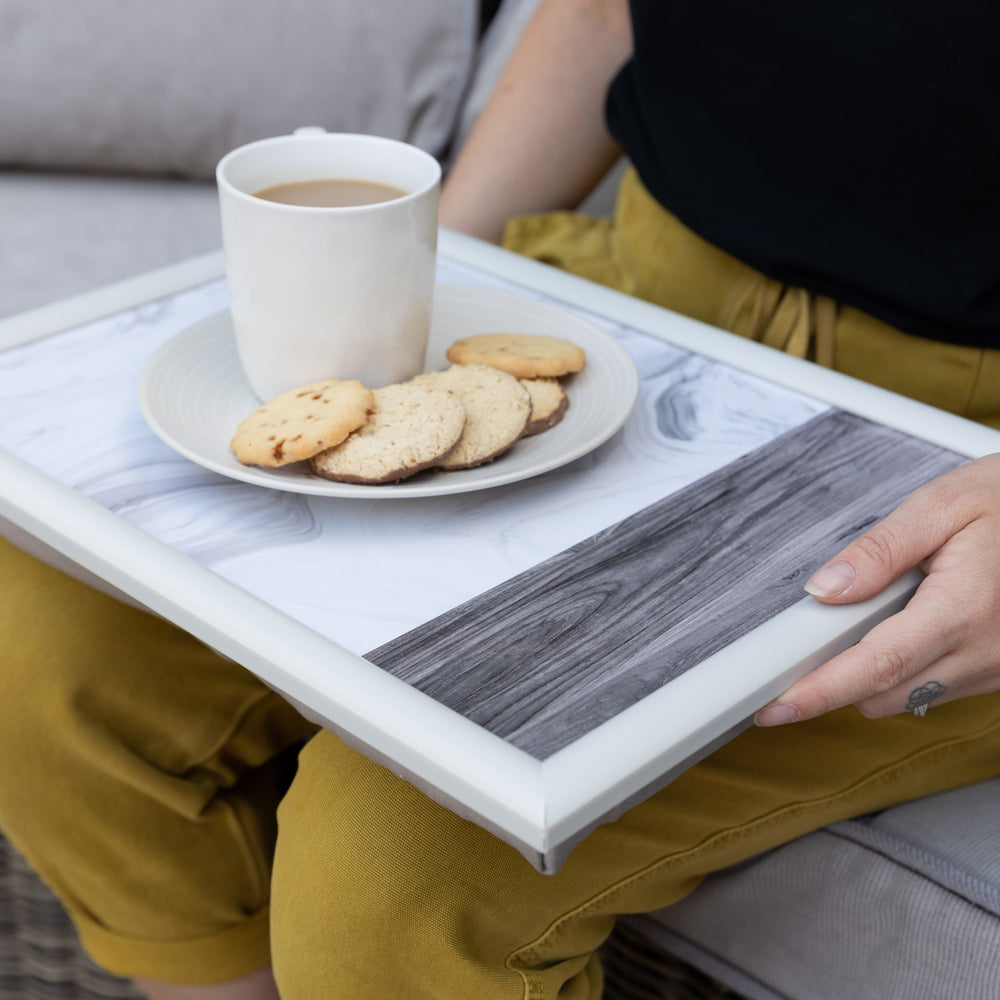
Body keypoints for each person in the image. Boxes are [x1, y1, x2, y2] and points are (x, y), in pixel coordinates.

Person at [0, 1, 998, 998]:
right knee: (30, 652)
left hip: (959, 454)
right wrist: (415, 281)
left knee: (387, 865)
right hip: (630, 298)